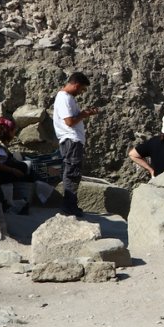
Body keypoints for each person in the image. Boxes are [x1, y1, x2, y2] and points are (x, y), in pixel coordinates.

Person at [53, 71, 98, 217]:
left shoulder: (67, 98)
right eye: (82, 89)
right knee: (72, 173)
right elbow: (69, 121)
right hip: (71, 140)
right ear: (77, 85)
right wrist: (84, 115)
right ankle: (68, 207)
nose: (82, 92)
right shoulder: (64, 98)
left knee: (72, 172)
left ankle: (70, 205)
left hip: (72, 140)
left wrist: (84, 113)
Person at [0, 117, 31, 214]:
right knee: (23, 167)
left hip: (1, 173)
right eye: (13, 131)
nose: (14, 134)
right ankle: (9, 205)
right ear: (7, 132)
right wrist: (13, 170)